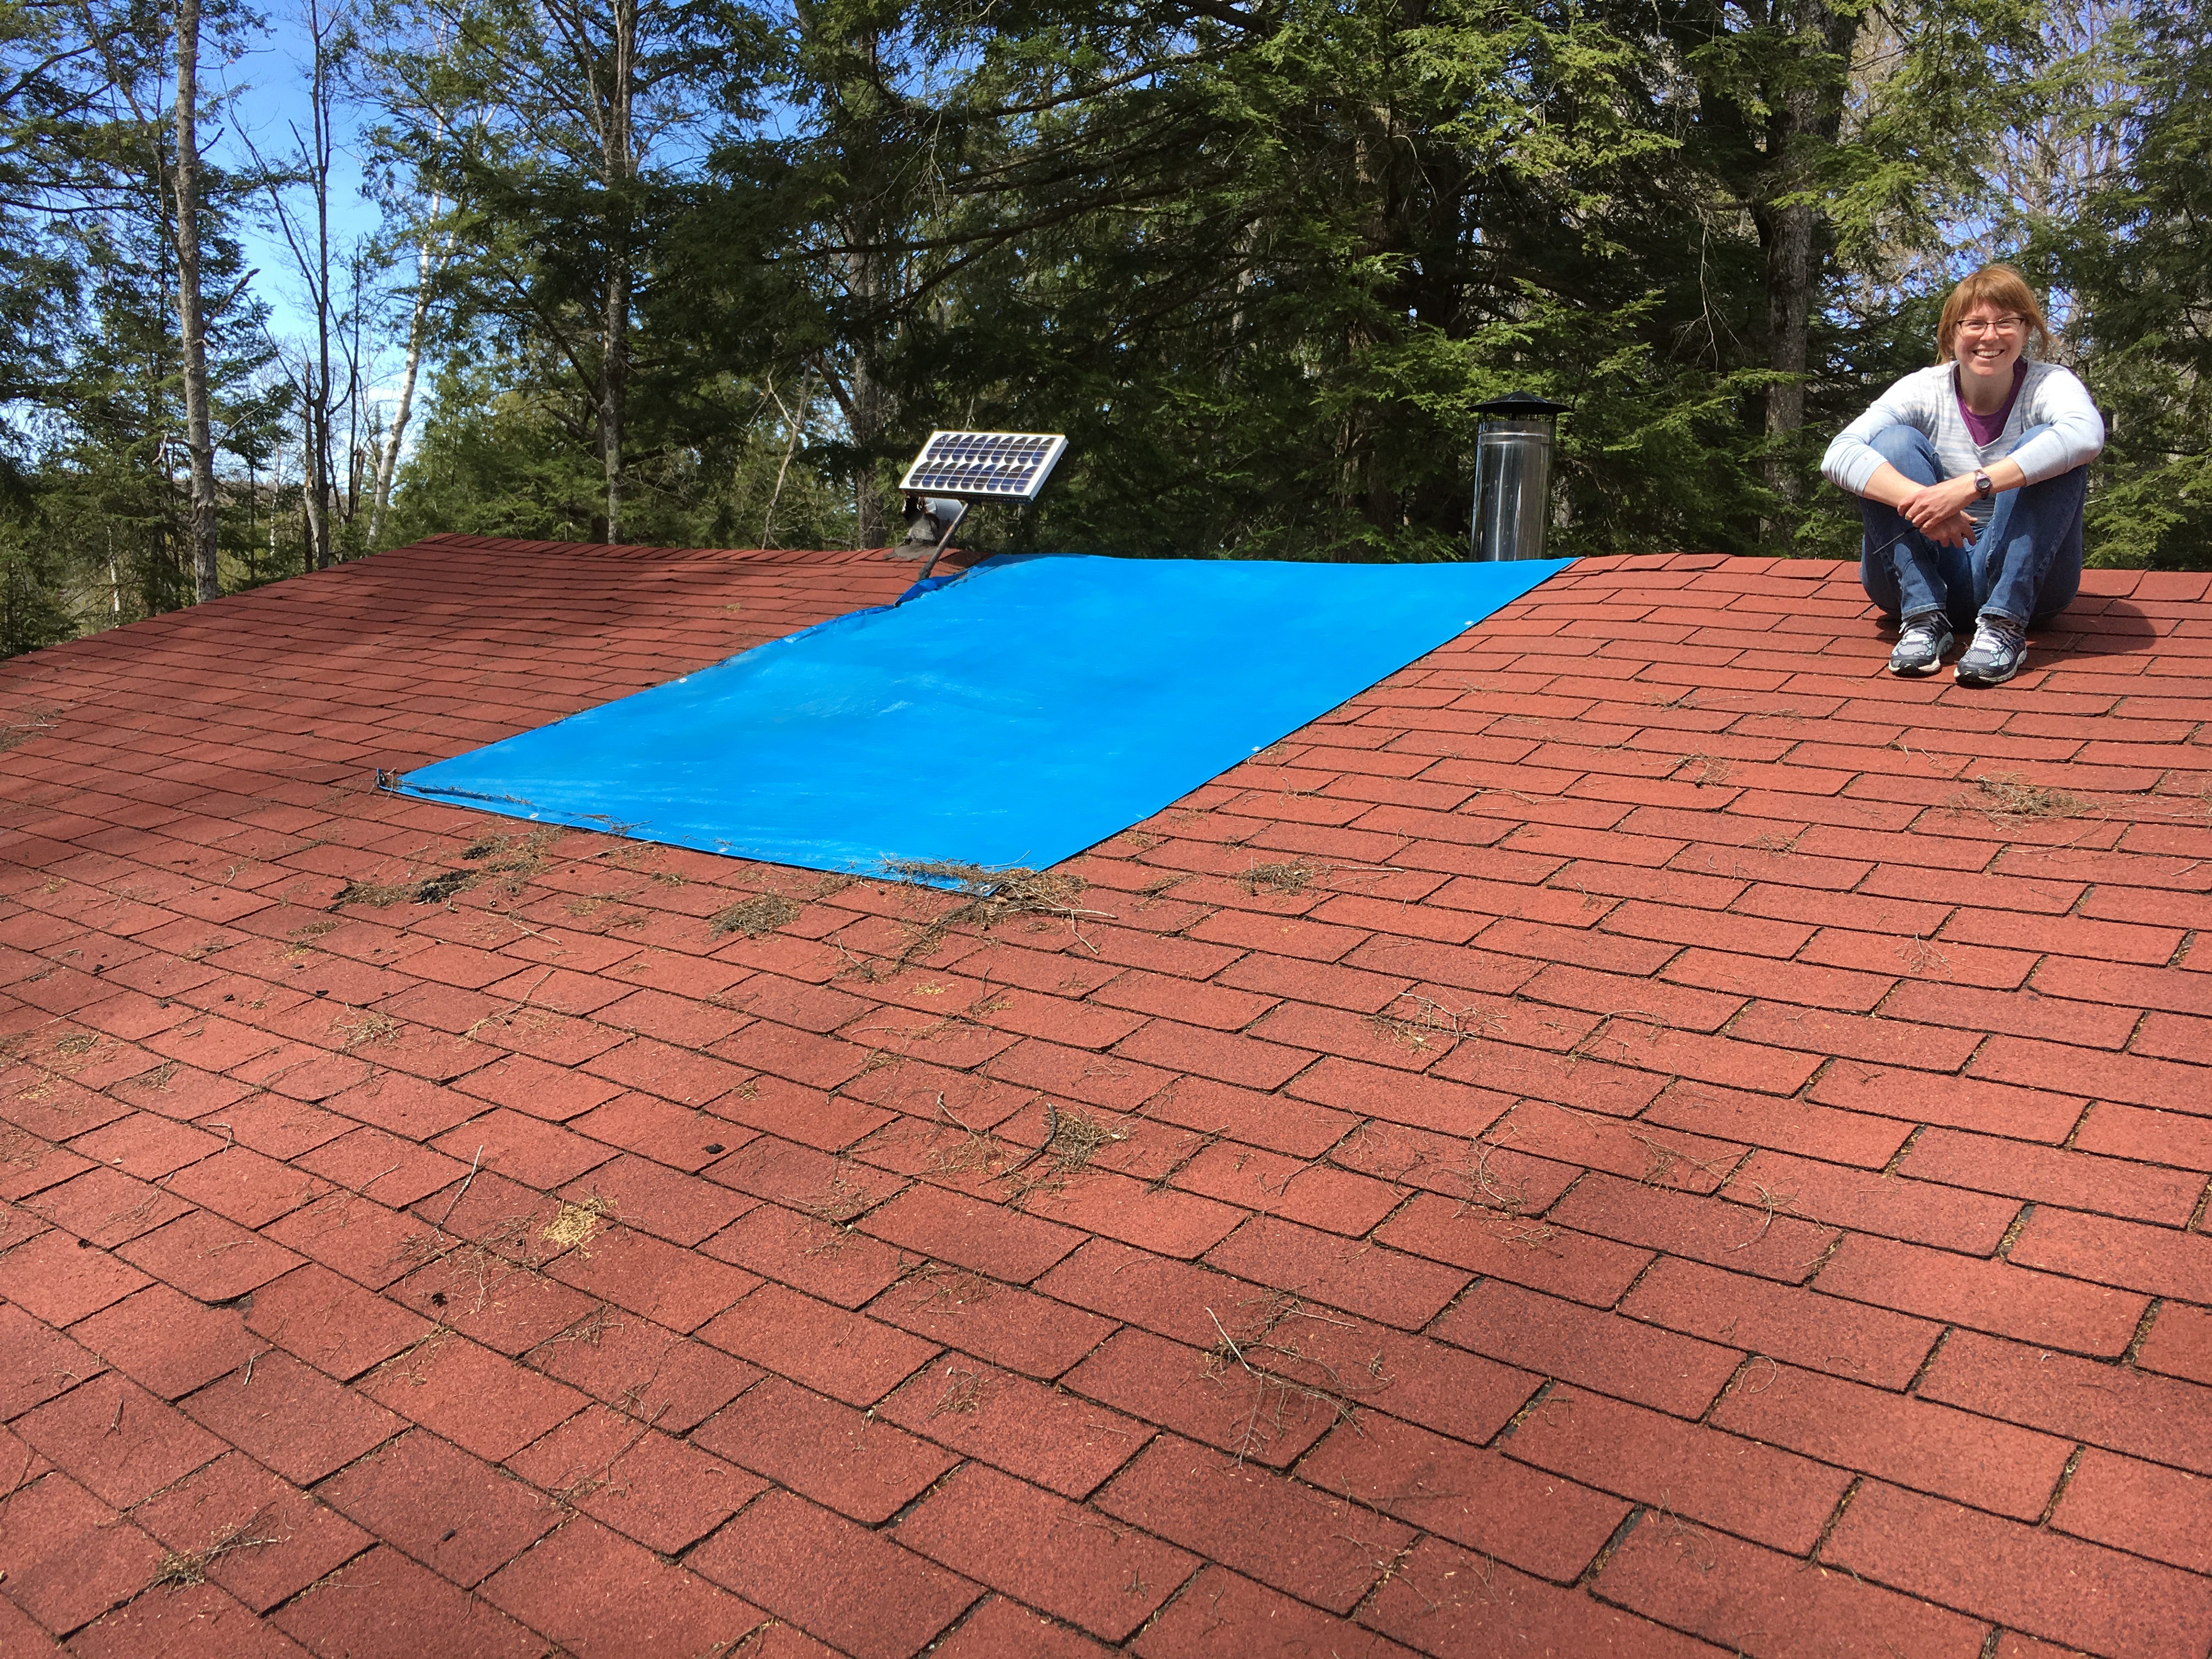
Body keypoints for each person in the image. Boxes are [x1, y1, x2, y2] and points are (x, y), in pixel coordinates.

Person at [1822, 264, 2104, 686]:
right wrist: (1926, 502)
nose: (1990, 336)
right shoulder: (1923, 389)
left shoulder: (2050, 384)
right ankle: (1923, 619)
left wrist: (1969, 486)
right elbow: (1839, 454)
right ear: (1951, 334)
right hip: (1928, 570)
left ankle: (2005, 626)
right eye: (1974, 324)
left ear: (2027, 330)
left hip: (2028, 586)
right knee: (1890, 444)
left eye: (2006, 322)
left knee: (2050, 445)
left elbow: (2086, 435)